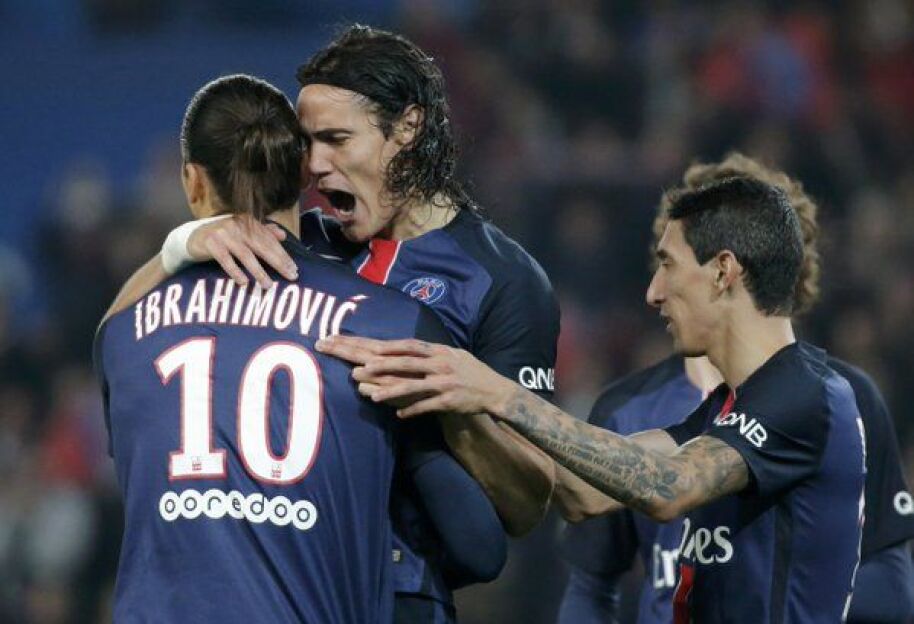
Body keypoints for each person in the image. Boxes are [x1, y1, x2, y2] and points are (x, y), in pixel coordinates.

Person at [101, 25, 574, 623]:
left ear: (407, 127)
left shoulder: (503, 281)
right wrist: (182, 243)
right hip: (283, 571)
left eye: (335, 139)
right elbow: (119, 333)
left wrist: (451, 403)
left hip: (403, 593)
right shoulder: (290, 247)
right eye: (306, 143)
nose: (313, 165)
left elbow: (525, 500)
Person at [318, 176, 867, 623]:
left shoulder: (809, 393)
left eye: (668, 264)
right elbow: (583, 493)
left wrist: (500, 392)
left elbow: (668, 487)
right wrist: (460, 401)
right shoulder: (728, 408)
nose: (653, 292)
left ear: (723, 270)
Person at [558, 153, 914, 623]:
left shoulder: (838, 397)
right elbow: (589, 581)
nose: (657, 289)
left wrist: (791, 586)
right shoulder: (634, 408)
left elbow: (892, 582)